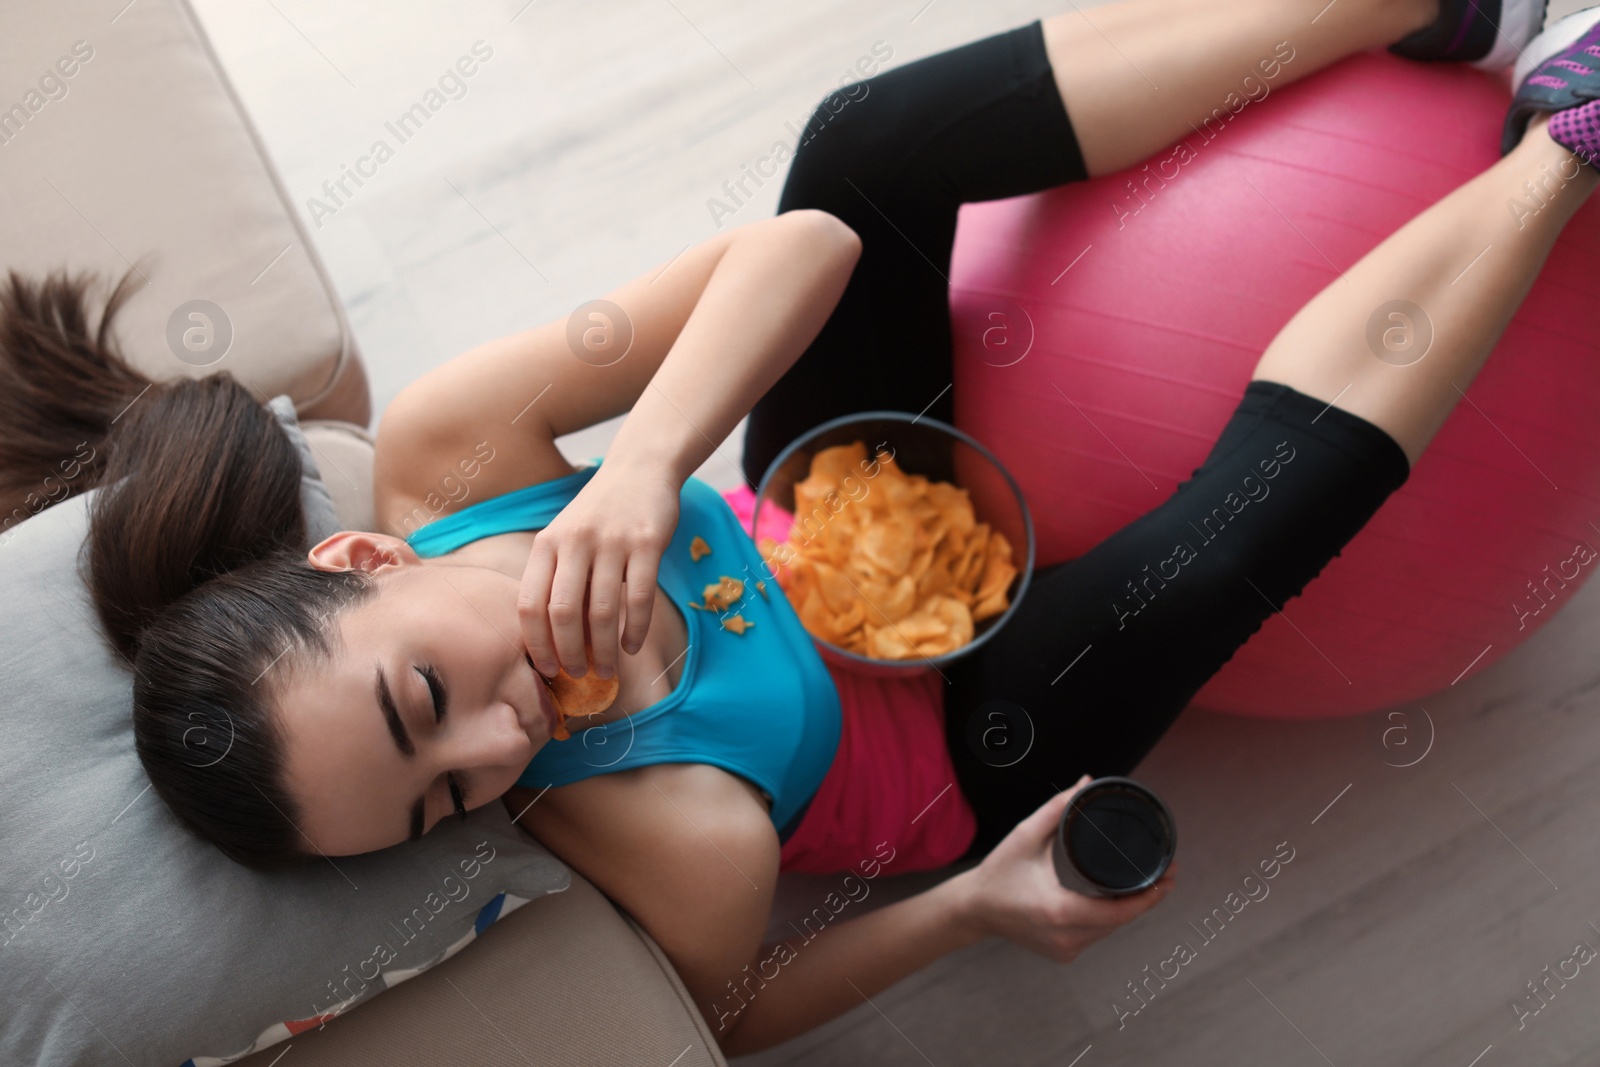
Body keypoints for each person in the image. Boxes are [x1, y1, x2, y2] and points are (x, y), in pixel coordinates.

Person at [4, 0, 1595, 1053]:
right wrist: (971, 903)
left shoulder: (445, 451)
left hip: (820, 499)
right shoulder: (654, 819)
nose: (497, 742)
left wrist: (639, 471)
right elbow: (731, 1006)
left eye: (422, 703)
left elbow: (809, 246)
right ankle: (1561, 147)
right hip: (979, 730)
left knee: (860, 145)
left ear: (363, 559)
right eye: (446, 804)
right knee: (1219, 552)